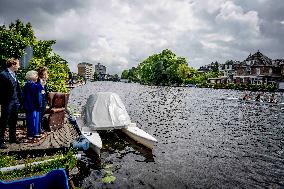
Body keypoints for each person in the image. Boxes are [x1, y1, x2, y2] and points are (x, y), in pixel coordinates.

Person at [0, 58, 22, 148]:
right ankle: (0, 141)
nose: (19, 66)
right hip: (7, 102)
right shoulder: (3, 75)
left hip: (15, 102)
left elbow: (17, 89)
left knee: (13, 121)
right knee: (4, 121)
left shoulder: (14, 74)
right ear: (13, 65)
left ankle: (12, 138)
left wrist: (20, 100)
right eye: (18, 64)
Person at [23, 70, 40, 142]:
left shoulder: (31, 84)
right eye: (36, 76)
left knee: (35, 119)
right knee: (31, 119)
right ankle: (30, 134)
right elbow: (35, 92)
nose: (37, 77)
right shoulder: (30, 84)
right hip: (31, 105)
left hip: (33, 105)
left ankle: (34, 133)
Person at [36, 66, 48, 133]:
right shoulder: (37, 80)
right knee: (39, 114)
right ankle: (38, 129)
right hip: (39, 99)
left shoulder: (44, 80)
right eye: (45, 72)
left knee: (42, 113)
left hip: (44, 99)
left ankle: (41, 127)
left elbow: (45, 90)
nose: (46, 73)